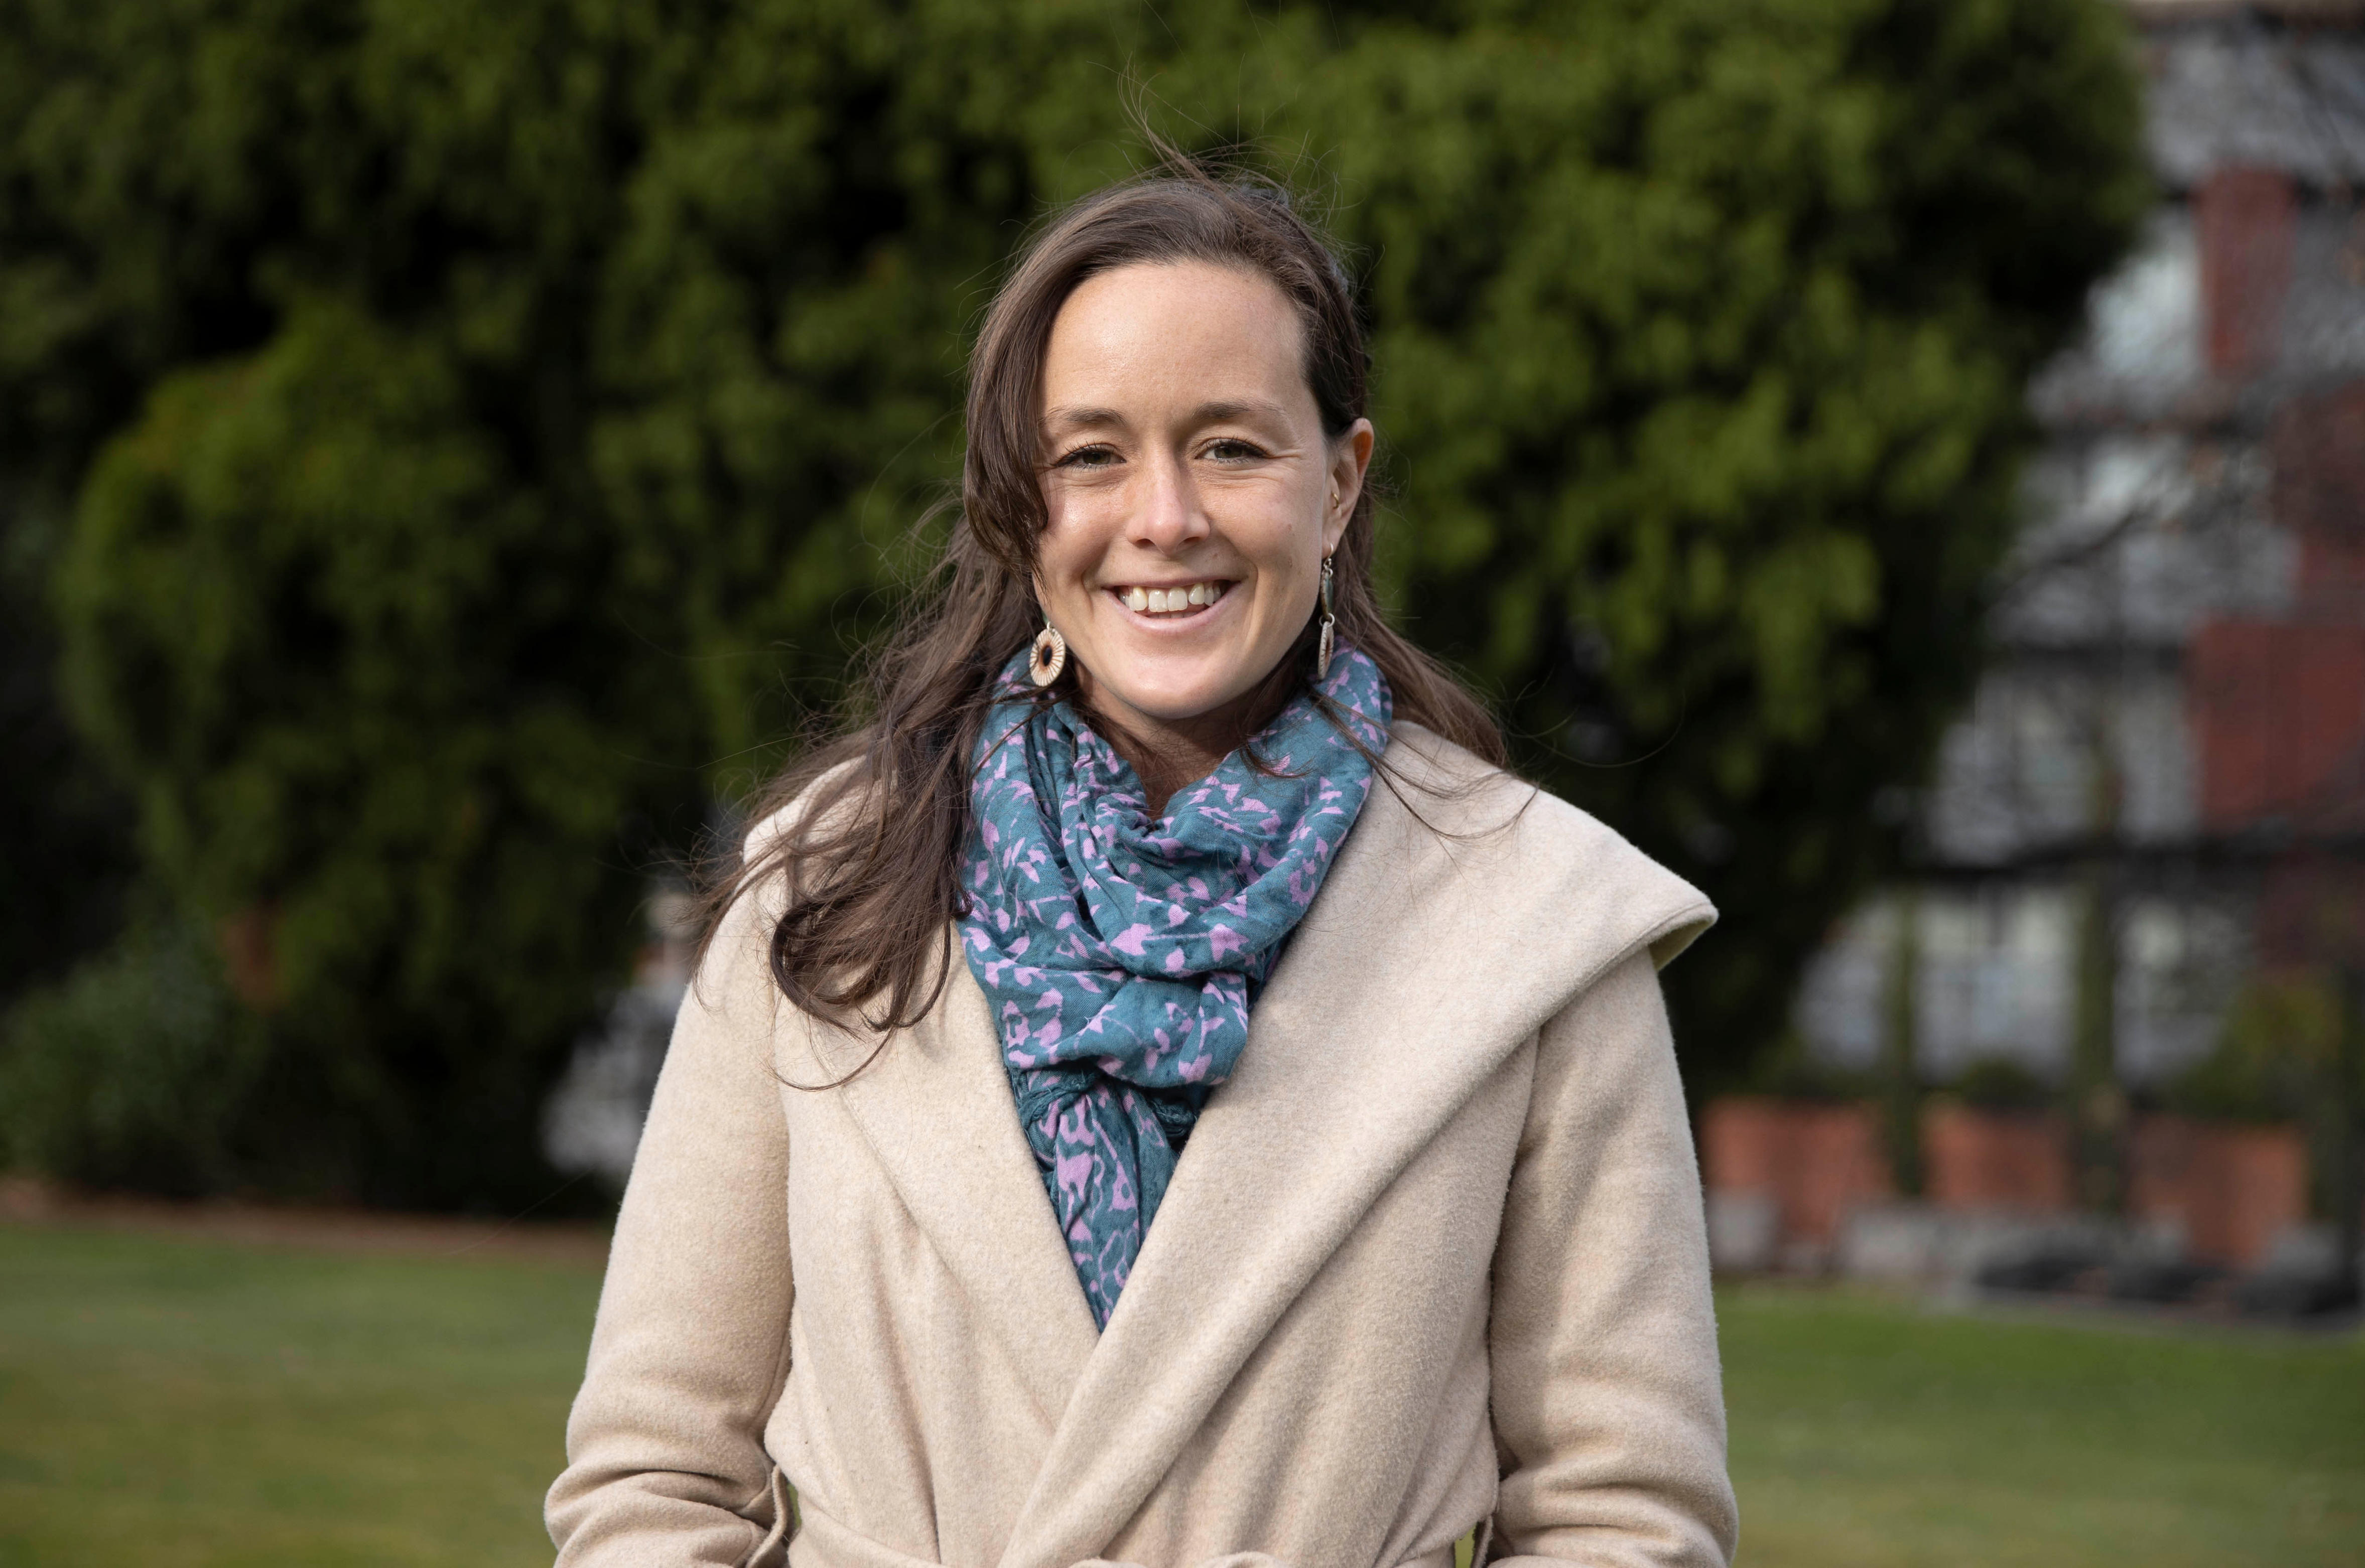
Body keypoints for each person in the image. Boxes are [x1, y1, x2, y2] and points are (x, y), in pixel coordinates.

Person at [546, 165, 1738, 1568]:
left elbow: (1624, 1515)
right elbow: (651, 1479)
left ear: (1341, 483)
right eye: (1092, 454)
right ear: (1016, 502)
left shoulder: (1538, 927)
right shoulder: (828, 897)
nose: (1163, 517)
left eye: (1232, 447)